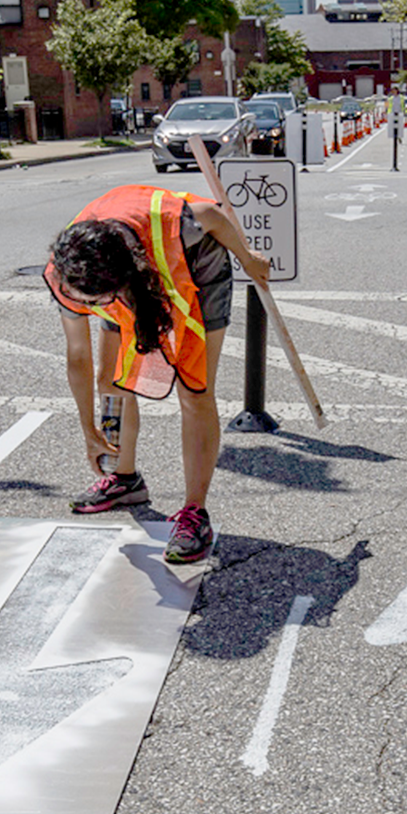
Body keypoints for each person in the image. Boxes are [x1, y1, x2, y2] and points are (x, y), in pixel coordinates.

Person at [46, 183, 270, 563]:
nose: (88, 307)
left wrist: (247, 258)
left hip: (196, 263)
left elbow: (212, 215)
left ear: (124, 281)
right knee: (112, 378)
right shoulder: (72, 271)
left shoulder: (179, 226)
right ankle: (124, 476)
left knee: (194, 390)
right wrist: (89, 431)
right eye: (84, 301)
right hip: (120, 273)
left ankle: (195, 514)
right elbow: (78, 356)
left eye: (97, 302)